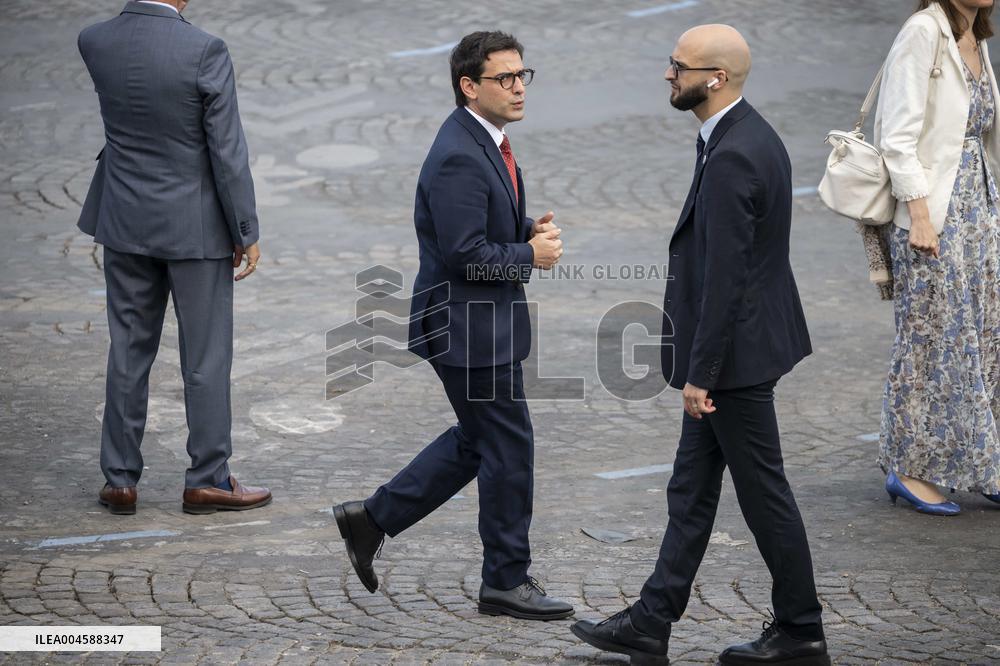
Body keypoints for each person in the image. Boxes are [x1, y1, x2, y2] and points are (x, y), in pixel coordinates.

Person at [570, 25, 829, 666]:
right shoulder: (741, 135)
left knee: (764, 494)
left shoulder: (737, 152)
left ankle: (800, 629)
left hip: (734, 362)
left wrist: (701, 373)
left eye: (677, 66)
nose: (667, 74)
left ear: (714, 78)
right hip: (738, 352)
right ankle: (651, 621)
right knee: (690, 489)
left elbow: (727, 279)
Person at [332, 31, 572, 621]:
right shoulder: (461, 154)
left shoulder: (483, 138)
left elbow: (475, 236)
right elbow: (466, 254)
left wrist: (523, 236)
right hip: (468, 330)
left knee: (478, 440)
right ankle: (505, 581)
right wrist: (530, 256)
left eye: (523, 75)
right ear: (470, 85)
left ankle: (372, 519)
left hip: (476, 326)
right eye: (504, 78)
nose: (518, 87)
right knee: (509, 449)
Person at [78, 0, 271, 515]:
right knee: (205, 357)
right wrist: (244, 229)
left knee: (128, 349)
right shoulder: (204, 49)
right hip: (196, 227)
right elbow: (226, 149)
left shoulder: (95, 40)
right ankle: (207, 478)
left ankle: (119, 479)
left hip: (123, 218)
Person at [876, 0, 1000, 515]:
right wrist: (921, 218)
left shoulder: (975, 36)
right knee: (930, 343)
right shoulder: (921, 32)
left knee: (985, 334)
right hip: (935, 220)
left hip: (981, 212)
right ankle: (907, 468)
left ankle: (983, 461)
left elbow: (980, 133)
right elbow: (896, 139)